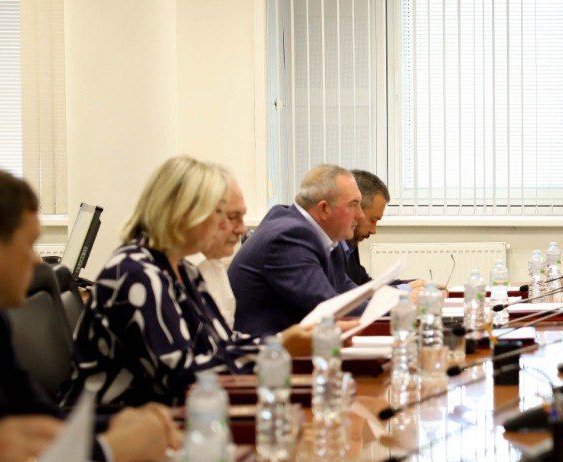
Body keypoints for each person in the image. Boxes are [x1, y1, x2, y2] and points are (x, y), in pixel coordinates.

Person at [64, 157, 313, 410]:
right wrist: (277, 348)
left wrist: (280, 344)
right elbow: (183, 376)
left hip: (168, 417)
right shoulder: (135, 273)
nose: (235, 228)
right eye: (226, 215)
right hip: (114, 425)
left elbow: (222, 344)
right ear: (187, 214)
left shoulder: (184, 270)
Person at [0, 166, 178, 462]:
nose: (38, 262)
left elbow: (41, 419)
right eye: (31, 245)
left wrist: (125, 422)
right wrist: (111, 449)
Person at [229, 165, 364, 337]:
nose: (360, 215)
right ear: (324, 209)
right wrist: (391, 309)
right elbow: (325, 306)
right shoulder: (289, 237)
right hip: (264, 349)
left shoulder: (327, 239)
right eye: (353, 205)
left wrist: (392, 302)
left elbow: (349, 292)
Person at [188, 175, 247, 327]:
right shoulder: (162, 272)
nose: (243, 230)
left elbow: (224, 337)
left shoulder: (214, 263)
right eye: (232, 217)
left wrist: (282, 339)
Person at [342, 170, 389, 286]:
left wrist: (407, 286)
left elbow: (365, 284)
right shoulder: (327, 247)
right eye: (373, 220)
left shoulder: (350, 243)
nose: (374, 231)